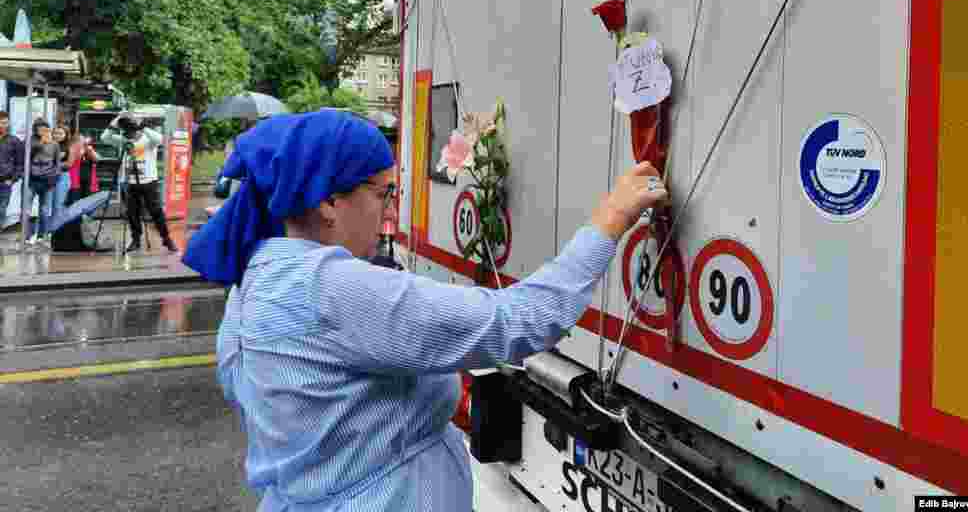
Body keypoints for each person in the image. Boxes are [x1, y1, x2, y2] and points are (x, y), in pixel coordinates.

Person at [184, 109, 667, 511]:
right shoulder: (331, 287)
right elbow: (523, 320)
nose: (390, 212)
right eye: (382, 193)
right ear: (328, 200)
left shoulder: (257, 279)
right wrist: (612, 217)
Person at [101, 112, 178, 254]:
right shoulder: (123, 140)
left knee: (156, 211)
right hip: (129, 182)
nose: (128, 134)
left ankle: (166, 239)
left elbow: (159, 139)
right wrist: (117, 120)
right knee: (132, 213)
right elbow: (104, 137)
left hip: (148, 182)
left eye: (131, 131)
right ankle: (135, 239)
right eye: (126, 131)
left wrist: (141, 125)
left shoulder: (148, 140)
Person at [50, 128, 103, 252]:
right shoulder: (72, 148)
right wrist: (77, 149)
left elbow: (97, 159)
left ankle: (84, 237)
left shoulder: (88, 150)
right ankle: (71, 239)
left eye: (84, 140)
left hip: (88, 184)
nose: (83, 142)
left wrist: (89, 149)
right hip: (74, 183)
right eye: (81, 140)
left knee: (87, 211)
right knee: (73, 210)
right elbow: (70, 163)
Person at [27, 119, 61, 245]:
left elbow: (57, 163)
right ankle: (28, 235)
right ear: (35, 130)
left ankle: (42, 235)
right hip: (32, 180)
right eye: (40, 129)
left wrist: (54, 178)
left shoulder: (54, 144)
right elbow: (27, 156)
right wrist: (41, 144)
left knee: (44, 210)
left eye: (45, 129)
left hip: (47, 180)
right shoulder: (30, 141)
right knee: (27, 209)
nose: (43, 131)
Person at [0, 111, 25, 230]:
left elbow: (20, 163)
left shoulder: (14, 141)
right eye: (1, 122)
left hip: (5, 181)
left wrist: (13, 179)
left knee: (1, 208)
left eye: (5, 123)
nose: (2, 125)